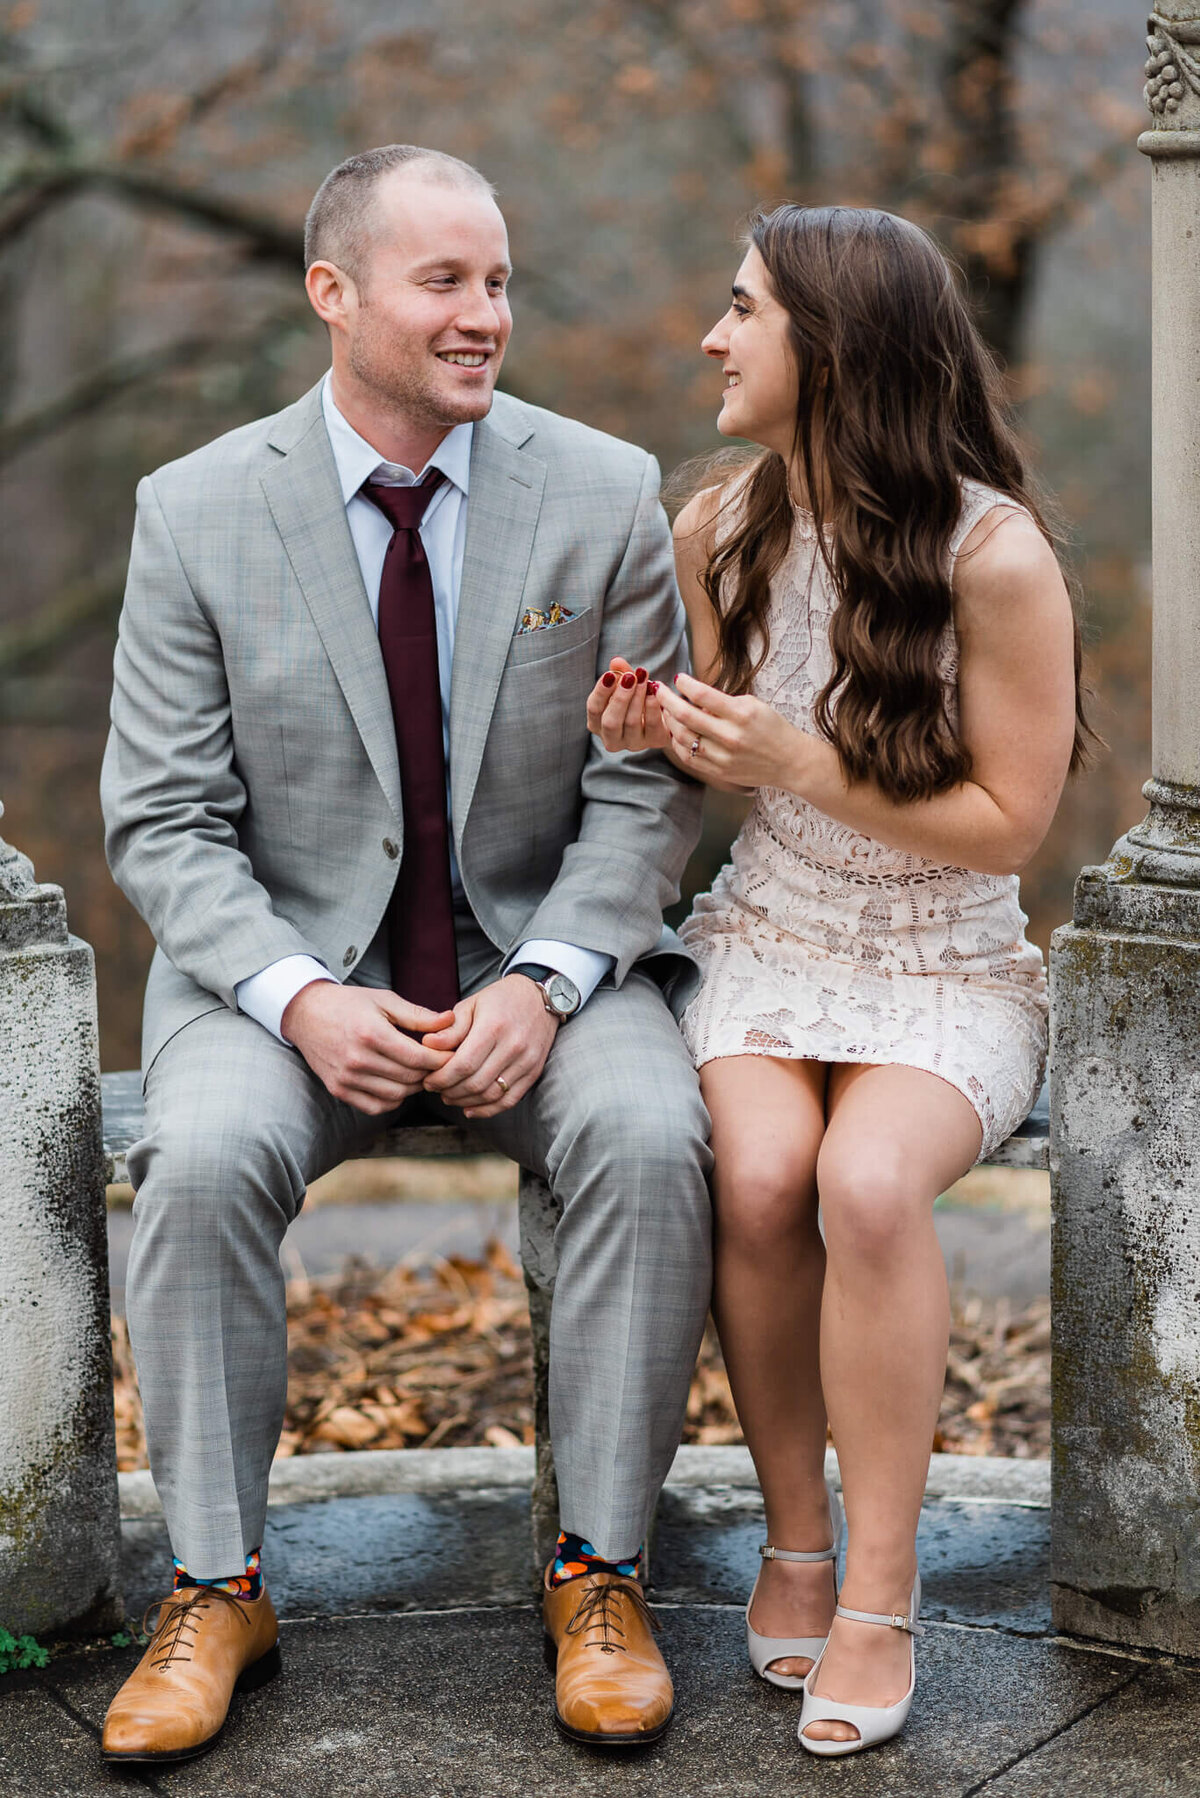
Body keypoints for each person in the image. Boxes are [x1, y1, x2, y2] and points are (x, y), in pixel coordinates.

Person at [99, 144, 712, 1765]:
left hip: (543, 965)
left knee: (655, 1135)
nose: (485, 314)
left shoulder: (604, 493)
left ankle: (601, 1574)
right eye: (445, 280)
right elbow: (161, 819)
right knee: (205, 1155)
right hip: (283, 974)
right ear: (336, 294)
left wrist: (554, 978)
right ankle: (217, 1583)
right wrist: (297, 995)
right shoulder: (195, 512)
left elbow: (647, 790)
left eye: (497, 281)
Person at [587, 203, 1086, 1757]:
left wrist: (802, 757)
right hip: (773, 931)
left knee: (868, 1182)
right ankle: (794, 1534)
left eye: (742, 311)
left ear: (835, 345)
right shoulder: (719, 527)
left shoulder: (993, 555)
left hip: (949, 953)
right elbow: (715, 747)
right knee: (759, 1173)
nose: (713, 340)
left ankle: (881, 1587)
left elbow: (1016, 816)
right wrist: (648, 728)